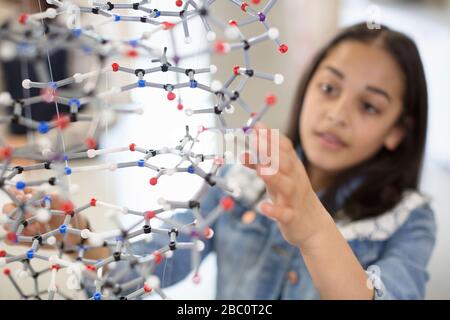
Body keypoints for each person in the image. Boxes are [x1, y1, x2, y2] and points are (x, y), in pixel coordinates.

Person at [1, 23, 436, 300]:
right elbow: (157, 263)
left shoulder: (409, 220)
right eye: (329, 88)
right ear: (309, 86)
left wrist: (312, 228)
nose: (338, 114)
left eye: (370, 107)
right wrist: (77, 238)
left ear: (399, 129)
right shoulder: (241, 175)